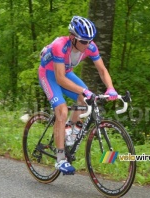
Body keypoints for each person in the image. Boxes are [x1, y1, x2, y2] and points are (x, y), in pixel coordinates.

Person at [38, 16, 118, 175]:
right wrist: (84, 90)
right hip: (49, 75)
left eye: (90, 41)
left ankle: (70, 129)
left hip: (66, 73)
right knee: (61, 111)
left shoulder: (90, 46)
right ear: (73, 37)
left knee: (85, 100)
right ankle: (60, 159)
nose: (87, 44)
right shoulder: (60, 46)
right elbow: (59, 79)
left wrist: (110, 88)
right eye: (83, 41)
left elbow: (102, 70)